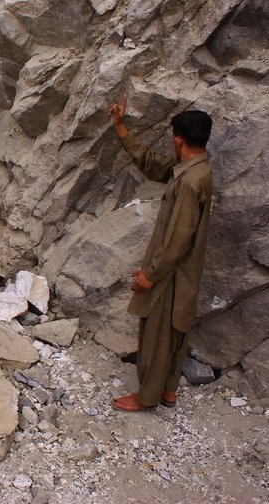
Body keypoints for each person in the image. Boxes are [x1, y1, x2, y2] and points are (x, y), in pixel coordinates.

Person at [109, 96, 213, 412]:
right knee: (175, 330)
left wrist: (149, 275)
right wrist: (120, 127)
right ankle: (168, 391)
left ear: (178, 139)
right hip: (183, 271)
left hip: (170, 272)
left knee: (156, 333)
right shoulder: (194, 170)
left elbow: (178, 240)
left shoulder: (190, 181)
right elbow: (152, 163)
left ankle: (147, 397)